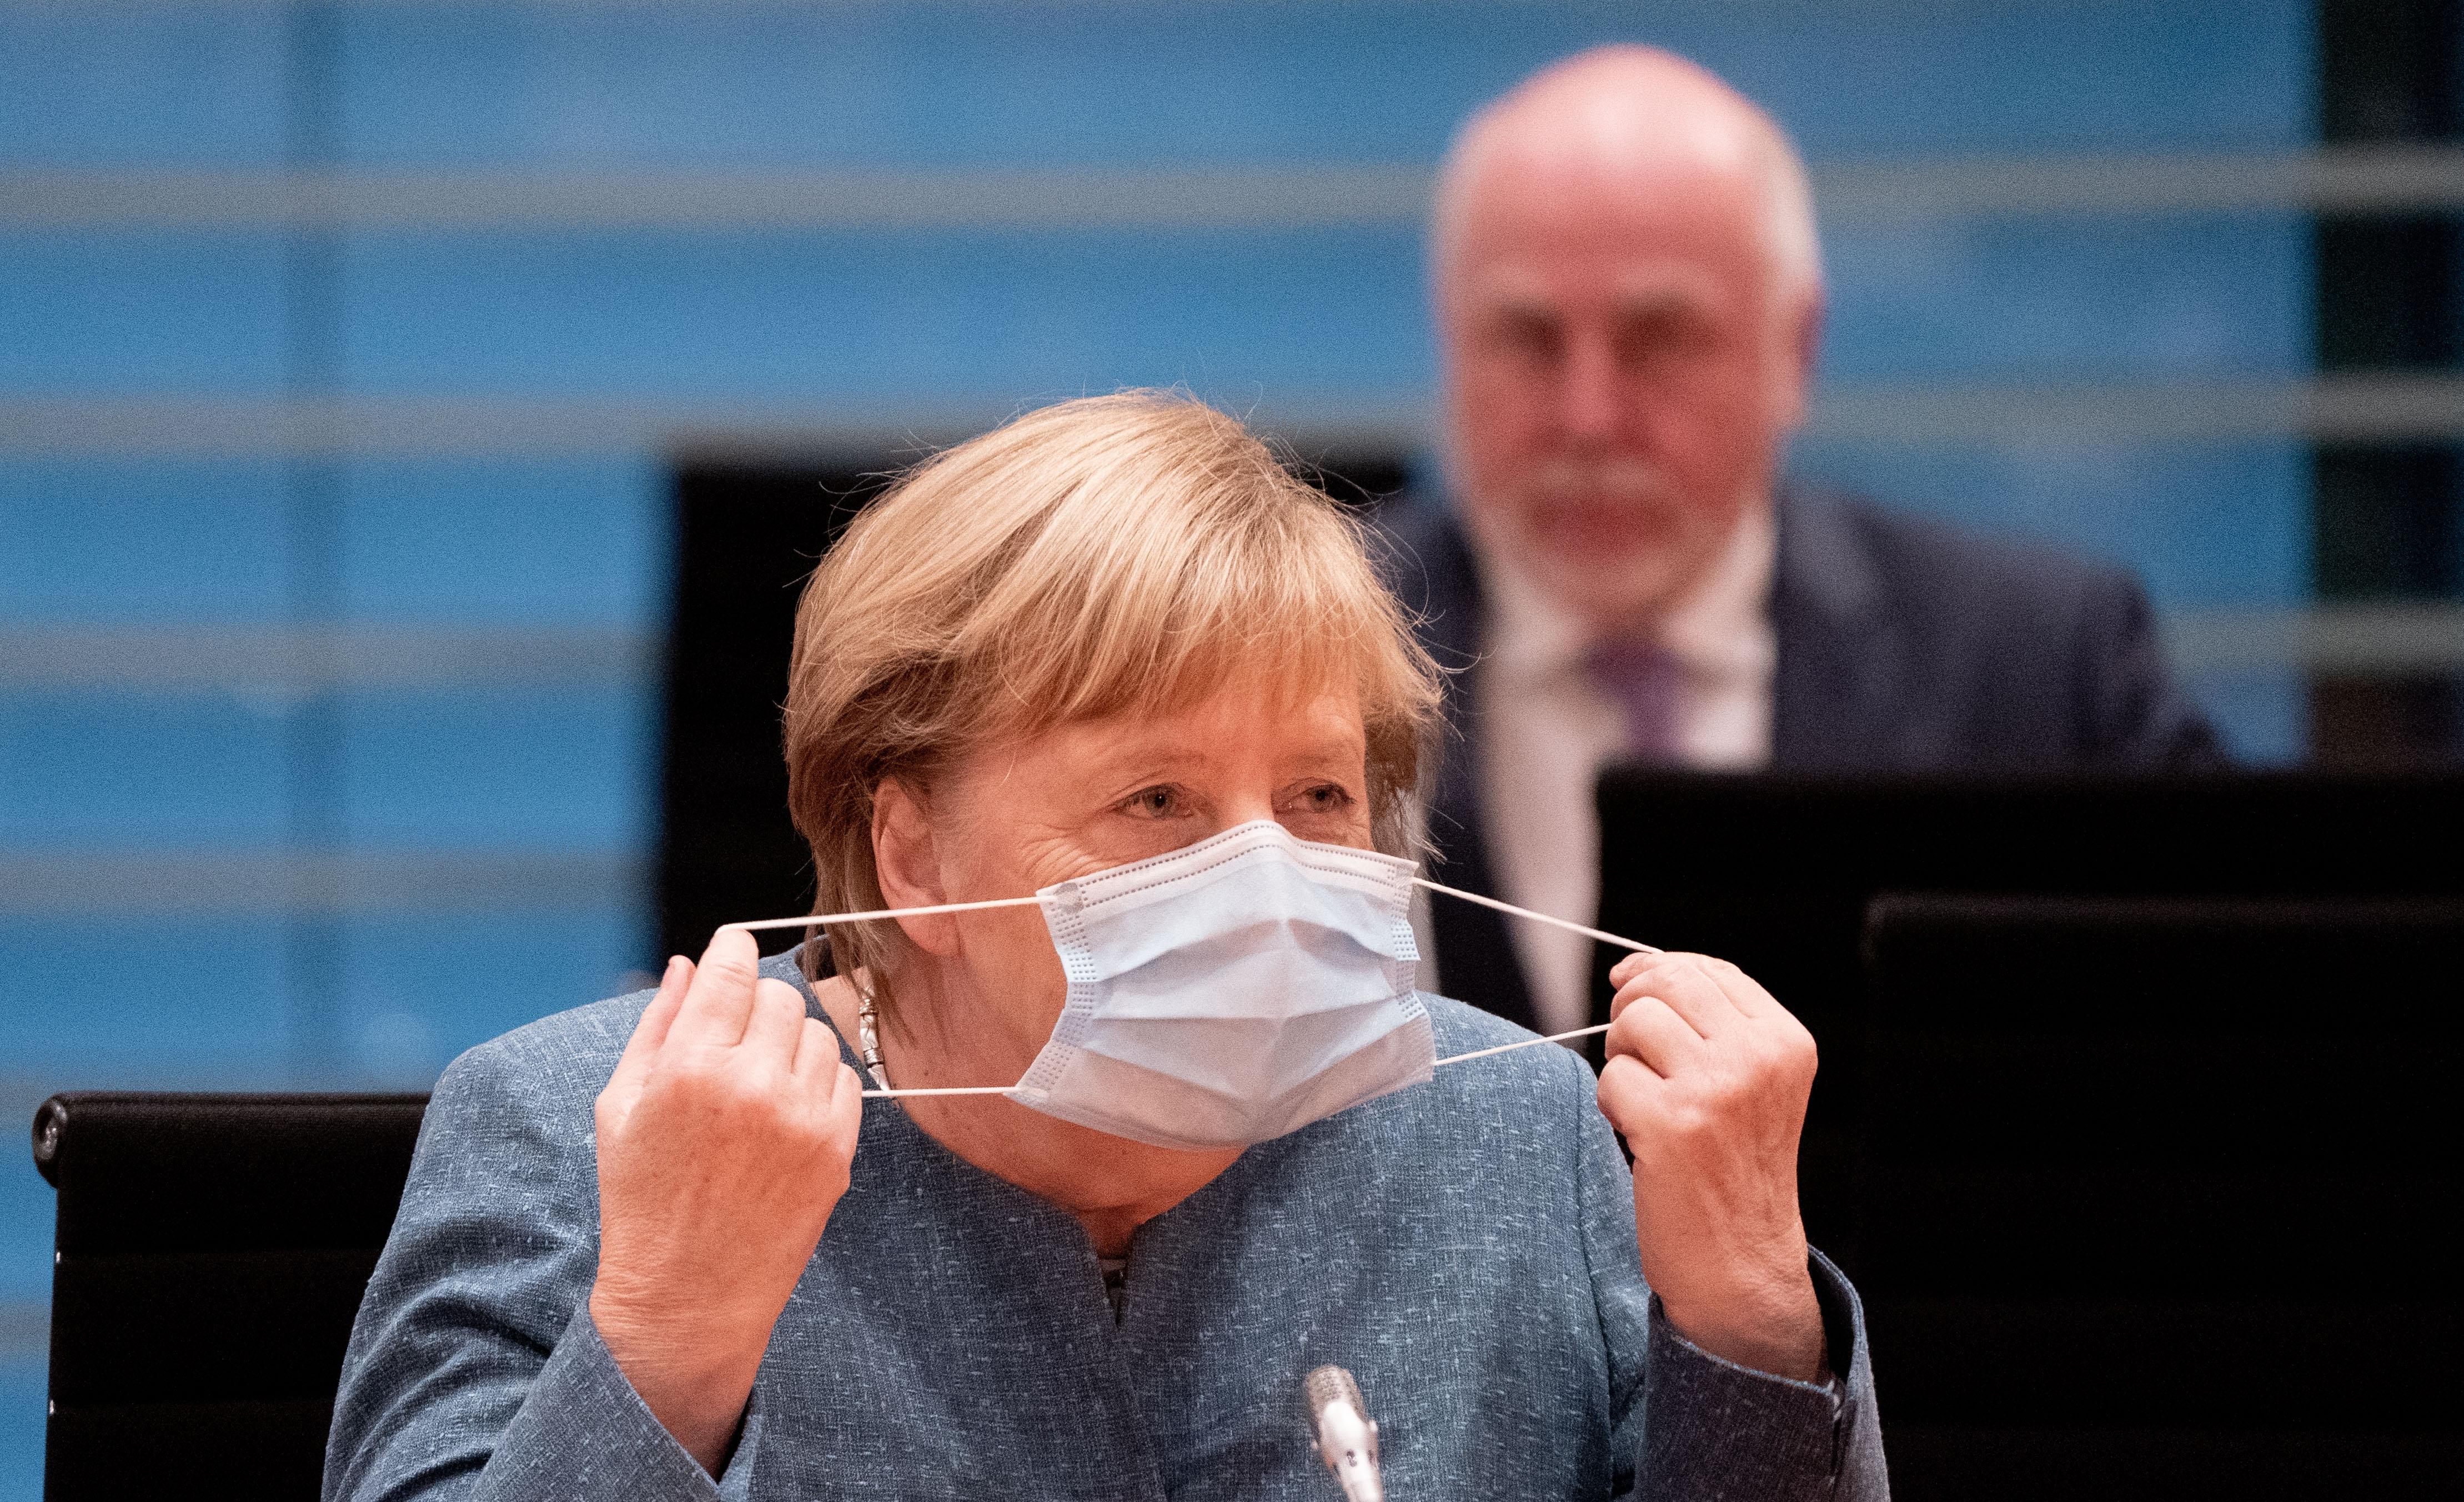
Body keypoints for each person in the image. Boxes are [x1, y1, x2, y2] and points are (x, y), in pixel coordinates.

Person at [324, 393, 1886, 1499]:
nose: (1266, 878)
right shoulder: (571, 1139)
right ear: (912, 852)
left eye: (1319, 795)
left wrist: (1748, 1323)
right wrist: (667, 1342)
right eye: (1157, 799)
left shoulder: (1524, 1139)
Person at [1384, 46, 2226, 1038]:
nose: (1588, 416)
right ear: (1447, 340)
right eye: (1525, 338)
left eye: (1659, 339)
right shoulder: (1284, 647)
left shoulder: (2039, 666)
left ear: (1795, 347)